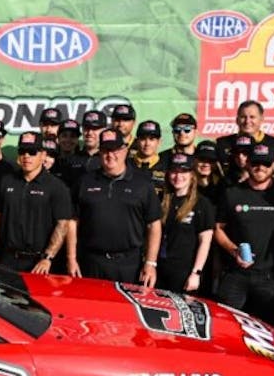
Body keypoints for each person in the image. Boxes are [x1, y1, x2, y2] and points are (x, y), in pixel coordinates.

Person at [67, 128, 161, 284]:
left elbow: (154, 225)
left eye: (115, 150)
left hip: (129, 265)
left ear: (124, 150)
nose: (110, 155)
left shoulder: (142, 184)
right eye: (105, 150)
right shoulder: (84, 181)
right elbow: (72, 222)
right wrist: (71, 258)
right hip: (91, 263)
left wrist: (150, 263)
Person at [213, 142, 274, 323]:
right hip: (235, 275)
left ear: (273, 165)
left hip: (270, 277)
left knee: (268, 335)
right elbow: (218, 229)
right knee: (227, 329)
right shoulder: (232, 193)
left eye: (266, 163)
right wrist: (234, 250)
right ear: (247, 163)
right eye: (256, 163)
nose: (260, 168)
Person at [0, 131, 72, 274]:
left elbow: (63, 224)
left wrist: (48, 257)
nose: (26, 156)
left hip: (39, 263)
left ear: (43, 155)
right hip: (7, 258)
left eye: (32, 152)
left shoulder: (57, 186)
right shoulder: (6, 181)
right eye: (23, 151)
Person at [157, 153, 214, 294]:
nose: (178, 176)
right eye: (174, 172)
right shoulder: (160, 200)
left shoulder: (202, 204)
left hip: (185, 272)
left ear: (192, 175)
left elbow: (205, 241)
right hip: (159, 269)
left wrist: (196, 273)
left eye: (183, 172)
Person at [215, 100, 274, 167]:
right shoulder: (221, 144)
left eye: (252, 117)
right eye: (243, 117)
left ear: (261, 119)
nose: (247, 121)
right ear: (237, 120)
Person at [130, 120, 166, 190]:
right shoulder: (126, 165)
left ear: (159, 142)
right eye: (143, 139)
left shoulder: (166, 167)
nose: (147, 144)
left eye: (151, 139)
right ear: (137, 141)